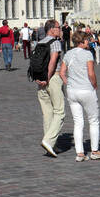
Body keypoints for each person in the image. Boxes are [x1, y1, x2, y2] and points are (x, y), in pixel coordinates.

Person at [61, 28, 100, 161]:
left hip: (72, 91)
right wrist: (95, 85)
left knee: (78, 122)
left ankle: (80, 153)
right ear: (83, 41)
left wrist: (68, 83)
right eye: (87, 39)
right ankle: (95, 150)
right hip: (86, 89)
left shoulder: (68, 54)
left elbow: (62, 72)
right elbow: (91, 73)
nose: (89, 41)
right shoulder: (87, 54)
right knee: (93, 120)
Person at [30, 19, 65, 157]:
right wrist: (47, 78)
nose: (60, 29)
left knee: (47, 113)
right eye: (58, 27)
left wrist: (38, 78)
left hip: (40, 81)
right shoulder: (55, 43)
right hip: (52, 79)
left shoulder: (40, 43)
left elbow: (34, 63)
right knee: (60, 112)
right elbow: (52, 61)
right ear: (51, 29)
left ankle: (51, 145)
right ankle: (49, 140)